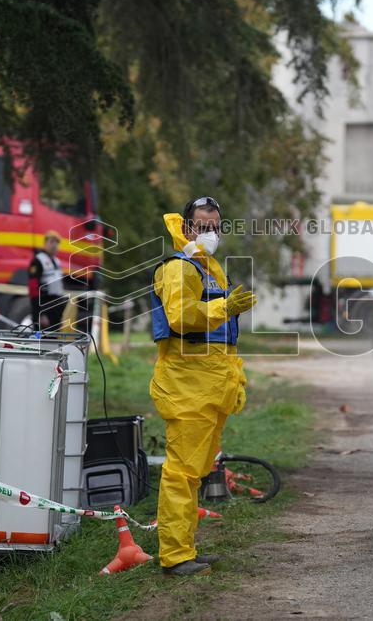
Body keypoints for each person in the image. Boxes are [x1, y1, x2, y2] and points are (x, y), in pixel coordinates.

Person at [149, 196, 257, 576]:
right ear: (186, 228)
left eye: (215, 227)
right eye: (201, 226)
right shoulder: (179, 268)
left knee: (194, 472)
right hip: (186, 387)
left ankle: (185, 549)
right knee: (181, 472)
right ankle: (176, 556)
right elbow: (181, 317)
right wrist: (225, 307)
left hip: (209, 386)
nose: (209, 233)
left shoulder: (208, 269)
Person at [28, 231, 67, 330]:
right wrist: (41, 314)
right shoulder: (38, 260)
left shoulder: (57, 261)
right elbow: (33, 290)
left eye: (57, 242)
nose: (54, 245)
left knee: (54, 337)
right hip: (45, 308)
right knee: (41, 338)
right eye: (51, 242)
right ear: (45, 243)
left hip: (56, 309)